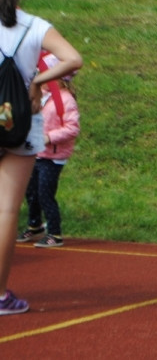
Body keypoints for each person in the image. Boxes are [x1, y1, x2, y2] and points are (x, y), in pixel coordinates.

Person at [0, 0, 82, 316]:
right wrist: (36, 82)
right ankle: (0, 296)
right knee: (5, 211)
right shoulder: (35, 26)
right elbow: (73, 59)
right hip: (19, 123)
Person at [16, 52, 80, 248]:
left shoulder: (66, 100)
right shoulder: (42, 96)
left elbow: (72, 128)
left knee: (45, 193)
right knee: (31, 191)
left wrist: (49, 137)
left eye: (43, 73)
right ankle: (35, 225)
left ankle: (55, 232)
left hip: (53, 156)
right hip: (36, 153)